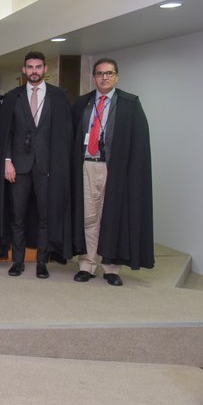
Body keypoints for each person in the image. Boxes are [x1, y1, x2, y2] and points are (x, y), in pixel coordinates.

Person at [70, 58, 154, 286]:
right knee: (89, 217)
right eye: (99, 73)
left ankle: (110, 268)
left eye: (109, 73)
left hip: (115, 170)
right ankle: (87, 264)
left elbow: (140, 143)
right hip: (87, 165)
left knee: (112, 216)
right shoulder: (82, 103)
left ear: (117, 76)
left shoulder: (130, 104)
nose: (104, 77)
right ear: (94, 77)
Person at [0, 51, 72, 278]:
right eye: (30, 67)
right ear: (24, 70)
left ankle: (42, 263)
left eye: (38, 67)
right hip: (18, 168)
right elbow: (6, 133)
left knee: (44, 217)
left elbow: (64, 136)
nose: (34, 71)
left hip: (46, 168)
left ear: (45, 69)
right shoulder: (12, 97)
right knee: (17, 217)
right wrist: (7, 161)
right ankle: (17, 261)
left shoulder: (58, 97)